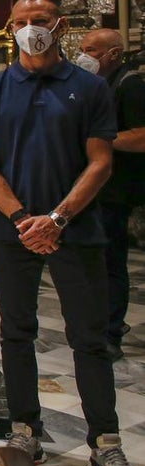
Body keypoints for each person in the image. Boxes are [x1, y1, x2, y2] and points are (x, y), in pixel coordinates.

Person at [0, 0, 142, 466]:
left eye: (42, 20)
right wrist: (24, 218)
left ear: (60, 26)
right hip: (15, 231)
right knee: (16, 333)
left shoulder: (90, 88)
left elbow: (101, 161)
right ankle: (25, 427)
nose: (32, 29)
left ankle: (105, 443)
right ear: (9, 29)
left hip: (78, 228)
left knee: (89, 338)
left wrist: (58, 219)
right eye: (23, 21)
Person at [76, 28, 145, 361]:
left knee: (110, 261)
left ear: (114, 54)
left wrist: (101, 139)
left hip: (116, 188)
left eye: (91, 49)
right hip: (91, 187)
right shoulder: (92, 85)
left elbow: (143, 135)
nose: (83, 55)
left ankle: (111, 330)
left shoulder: (130, 84)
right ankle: (93, 324)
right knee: (90, 261)